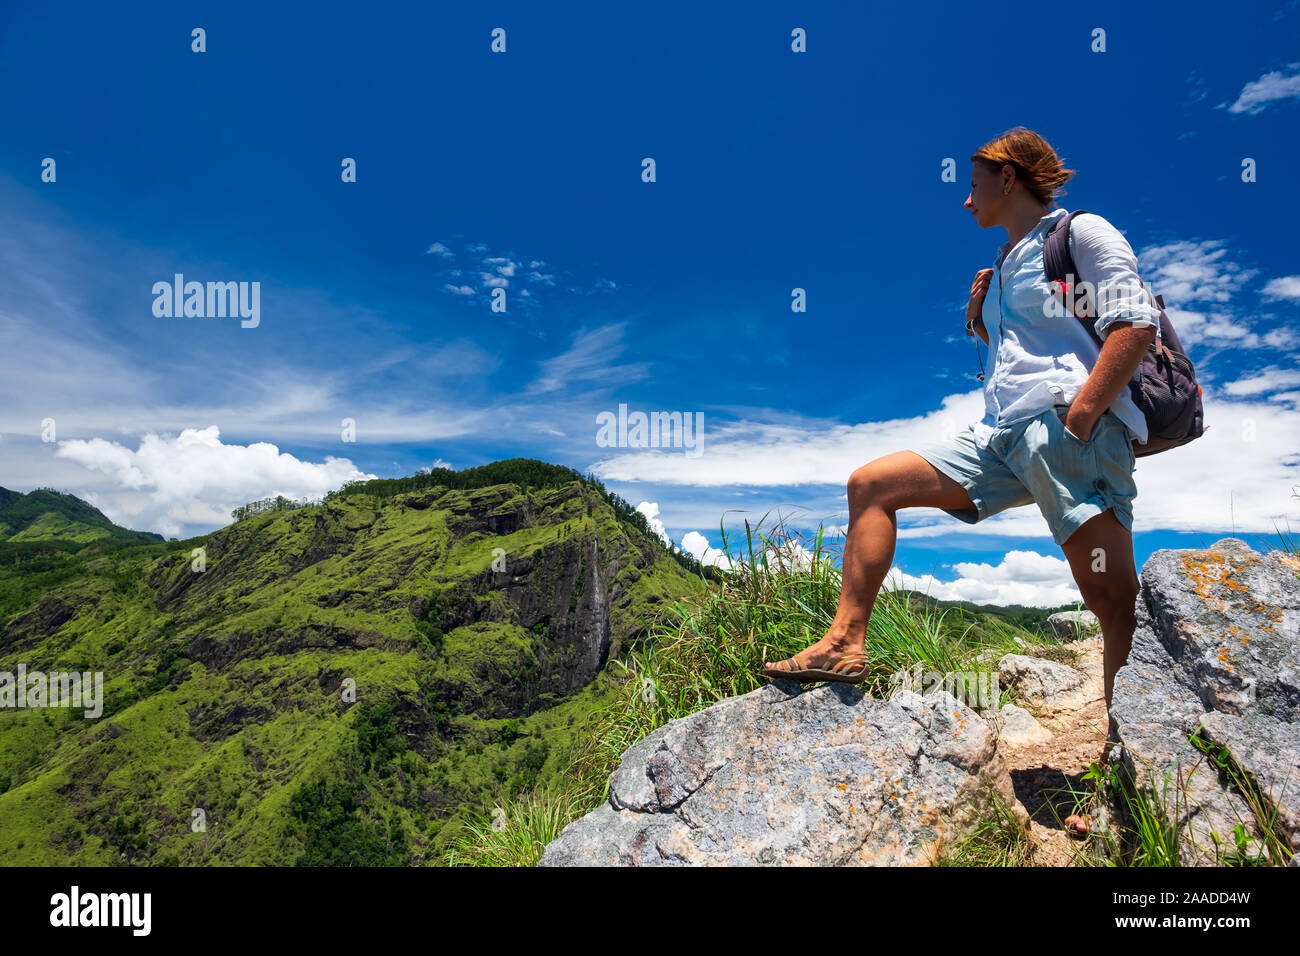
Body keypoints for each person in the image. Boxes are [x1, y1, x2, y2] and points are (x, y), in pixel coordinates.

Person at [761, 128, 1160, 828]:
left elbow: (1134, 322)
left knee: (1109, 600)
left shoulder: (1081, 232)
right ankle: (844, 643)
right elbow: (1028, 351)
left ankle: (1124, 770)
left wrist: (1084, 413)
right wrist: (982, 321)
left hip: (1070, 431)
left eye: (974, 181)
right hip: (1001, 437)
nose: (964, 193)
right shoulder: (1005, 262)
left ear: (1008, 178)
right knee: (872, 484)